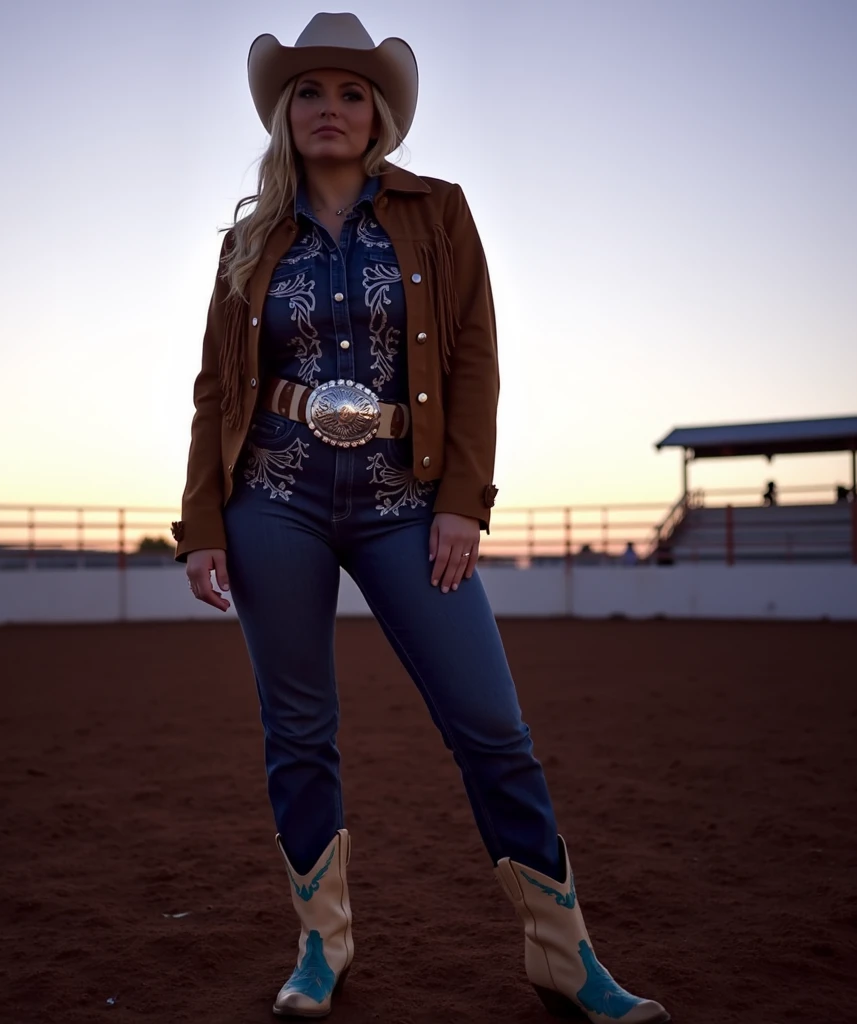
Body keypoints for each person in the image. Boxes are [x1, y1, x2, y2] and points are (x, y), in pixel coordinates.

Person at [172, 14, 669, 1022]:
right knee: (298, 731)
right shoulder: (248, 240)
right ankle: (323, 944)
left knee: (493, 725)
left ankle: (565, 955)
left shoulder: (437, 213)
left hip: (408, 502)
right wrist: (202, 523)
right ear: (284, 112)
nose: (331, 109)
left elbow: (477, 359)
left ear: (380, 114)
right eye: (310, 92)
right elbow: (217, 389)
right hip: (275, 496)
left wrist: (461, 503)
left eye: (352, 94)